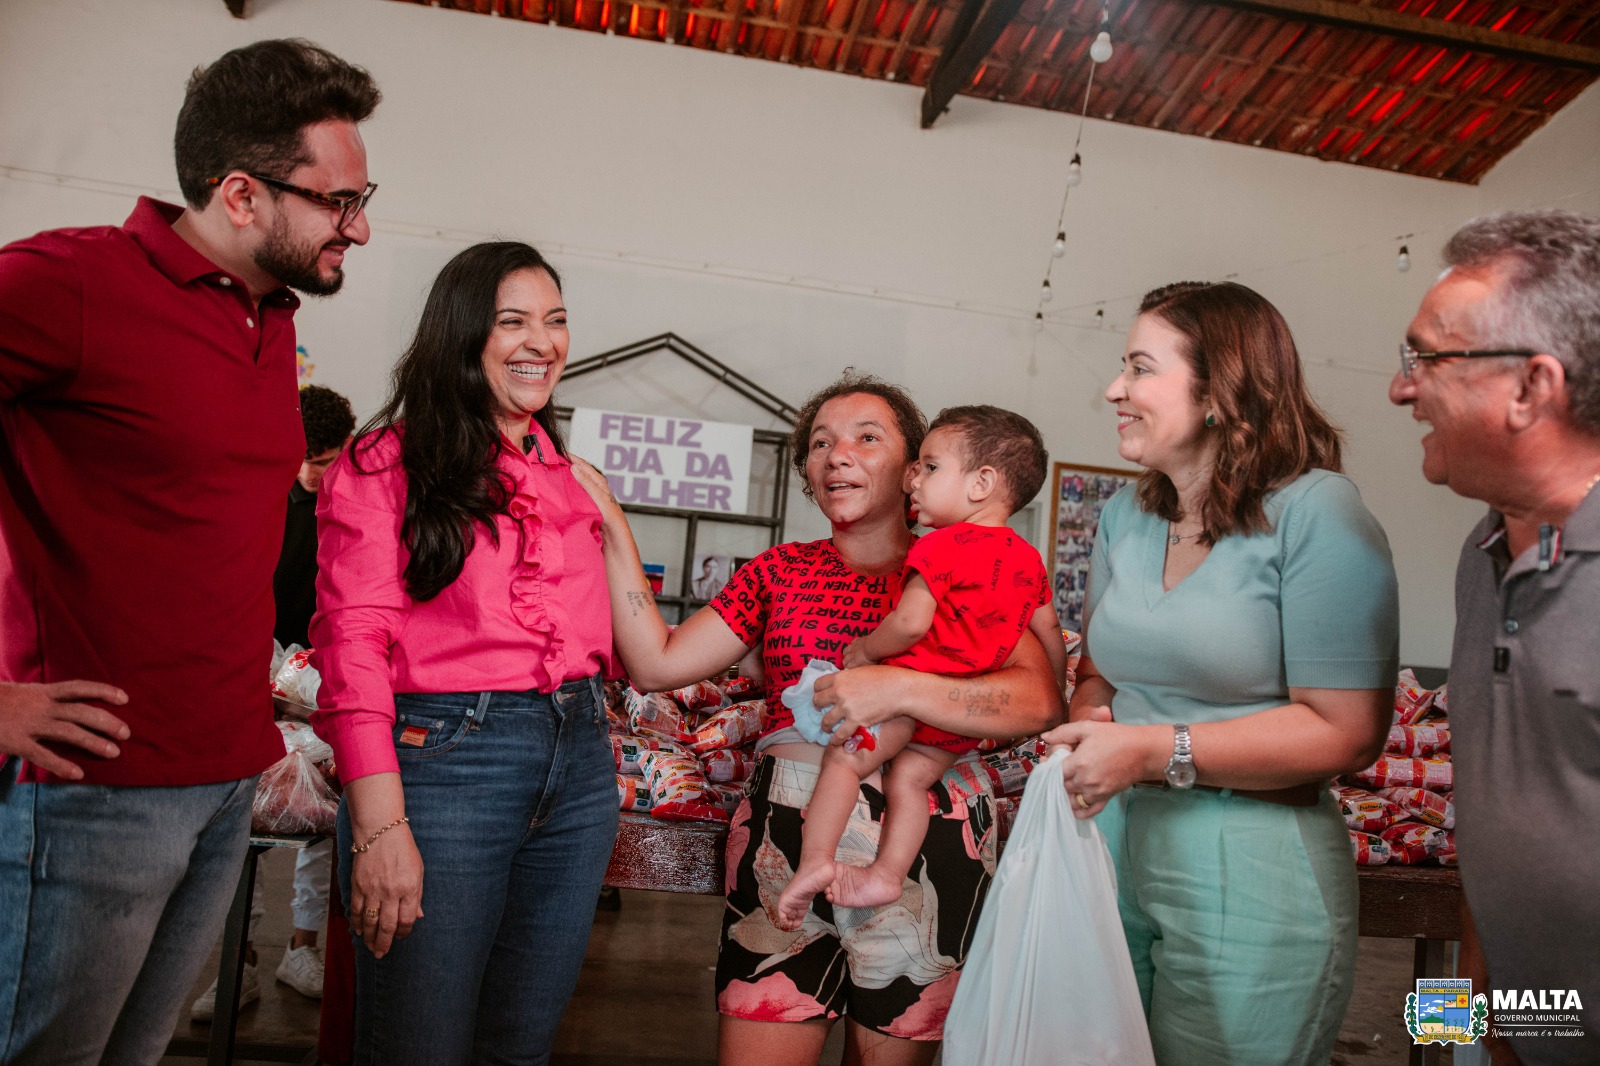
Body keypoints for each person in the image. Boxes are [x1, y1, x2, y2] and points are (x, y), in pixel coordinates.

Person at [0, 39, 378, 1065]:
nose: (360, 226)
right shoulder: (69, 282)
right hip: (95, 784)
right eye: (338, 202)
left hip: (226, 776)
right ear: (242, 194)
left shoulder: (271, 316)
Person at [569, 371, 1063, 1066]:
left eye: (867, 438)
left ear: (915, 467)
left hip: (928, 841)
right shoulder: (776, 571)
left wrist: (897, 686)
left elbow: (1039, 702)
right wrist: (615, 529)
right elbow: (655, 663)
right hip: (786, 836)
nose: (838, 456)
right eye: (821, 443)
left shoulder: (968, 567)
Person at [1044, 281, 1399, 1066]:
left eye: (1140, 368)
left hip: (1252, 864)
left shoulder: (1318, 512)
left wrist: (1148, 750)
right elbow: (1100, 673)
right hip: (1113, 844)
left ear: (1219, 392)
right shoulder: (1124, 516)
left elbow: (1348, 733)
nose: (1114, 390)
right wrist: (1093, 722)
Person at [310, 242, 619, 1066]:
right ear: (461, 333)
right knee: (419, 1046)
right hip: (447, 763)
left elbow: (626, 644)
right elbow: (351, 644)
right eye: (512, 321)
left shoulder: (570, 475)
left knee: (518, 1048)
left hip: (580, 766)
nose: (542, 342)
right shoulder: (385, 462)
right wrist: (380, 824)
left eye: (555, 321)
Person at [1389, 210, 1600, 1066]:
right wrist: (1472, 1038)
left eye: (1427, 359)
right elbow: (1490, 819)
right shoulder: (1485, 553)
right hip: (1536, 1026)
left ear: (1531, 387)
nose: (1401, 389)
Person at [774, 405, 1065, 928]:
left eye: (930, 467)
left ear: (981, 484)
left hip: (908, 705)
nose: (915, 480)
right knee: (909, 782)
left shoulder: (942, 547)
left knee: (844, 762)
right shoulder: (1028, 560)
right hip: (959, 720)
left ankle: (815, 861)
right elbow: (1049, 635)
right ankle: (887, 873)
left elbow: (909, 623)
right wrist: (1060, 704)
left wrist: (867, 651)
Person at [190, 383, 356, 1020]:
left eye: (327, 460)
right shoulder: (258, 496)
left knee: (324, 813)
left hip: (326, 677)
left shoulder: (360, 502)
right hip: (254, 671)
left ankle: (302, 949)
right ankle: (238, 966)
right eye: (307, 460)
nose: (315, 473)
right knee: (243, 818)